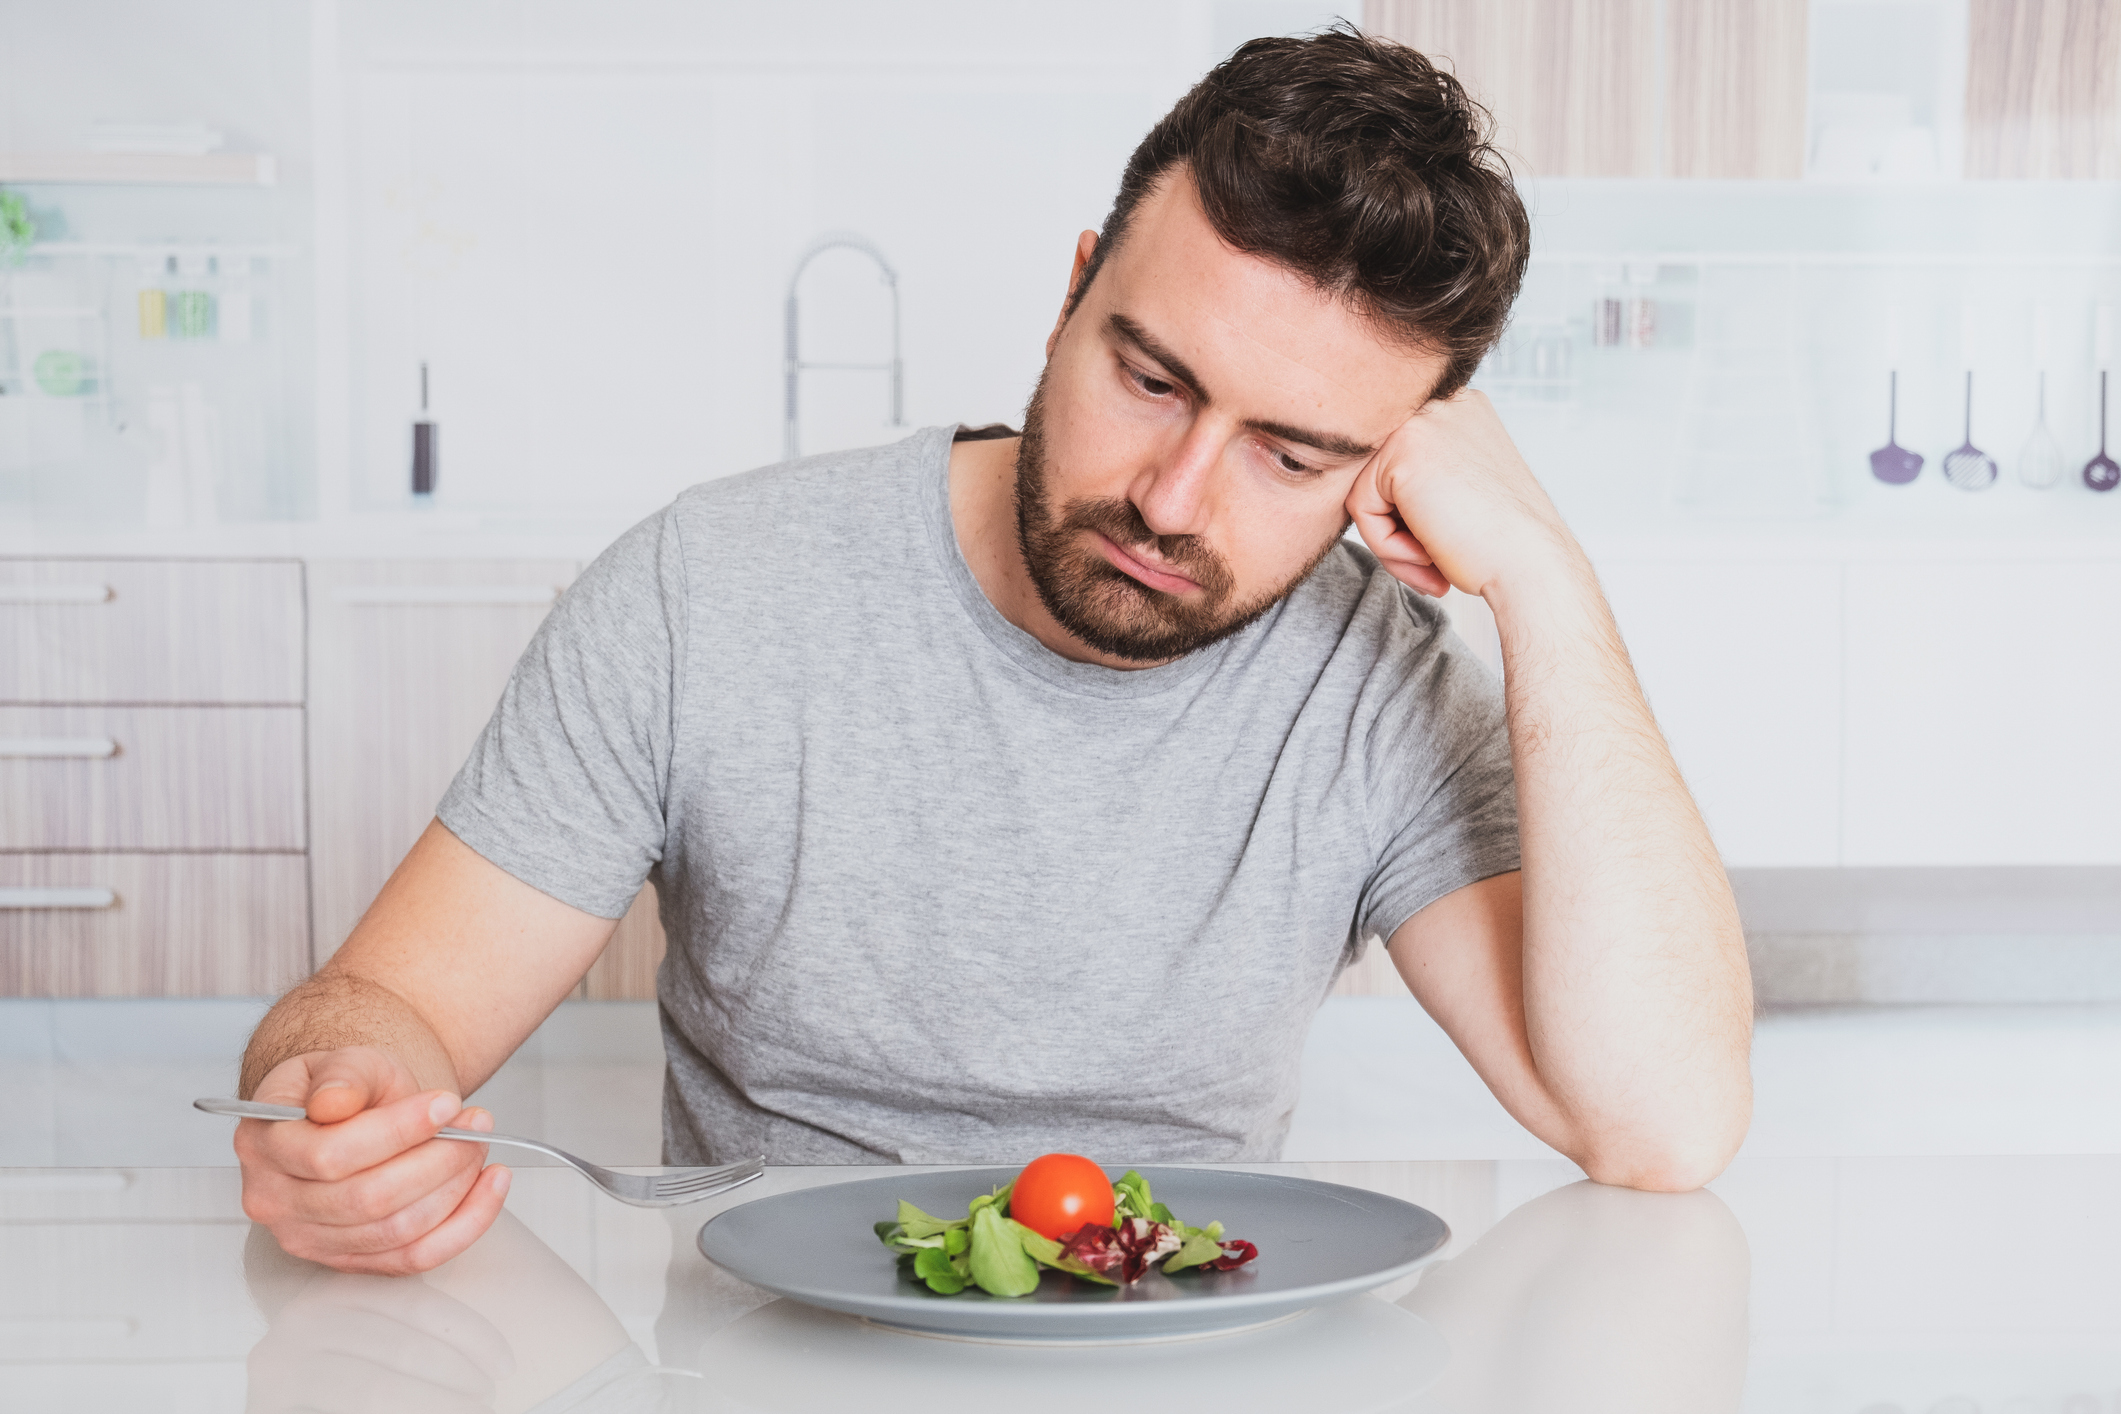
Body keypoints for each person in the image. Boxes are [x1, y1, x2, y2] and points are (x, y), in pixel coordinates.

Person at [234, 24, 1753, 1276]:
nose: (1172, 498)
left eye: (1290, 457)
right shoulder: (708, 588)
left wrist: (1546, 580)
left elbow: (1659, 1128)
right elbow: (385, 1006)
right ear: (1073, 288)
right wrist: (337, 1101)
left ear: (1385, 464)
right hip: (768, 1358)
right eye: (1151, 378)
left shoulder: (1379, 686)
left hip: (1174, 1358)